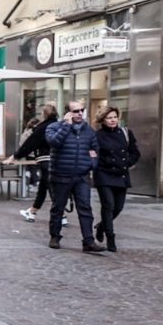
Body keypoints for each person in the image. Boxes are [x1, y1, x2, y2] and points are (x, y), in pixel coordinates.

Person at [46, 100, 106, 253]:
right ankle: (55, 236)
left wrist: (91, 163)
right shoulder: (54, 127)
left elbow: (95, 150)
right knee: (58, 208)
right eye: (76, 111)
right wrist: (66, 126)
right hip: (60, 174)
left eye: (82, 110)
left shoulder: (89, 130)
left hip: (82, 176)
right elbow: (54, 143)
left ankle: (88, 241)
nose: (80, 114)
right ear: (68, 113)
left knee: (85, 208)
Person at [93, 107, 140, 252]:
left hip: (121, 174)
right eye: (109, 118)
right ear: (103, 120)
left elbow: (135, 153)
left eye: (114, 117)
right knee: (108, 205)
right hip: (104, 174)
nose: (113, 120)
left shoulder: (125, 133)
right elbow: (94, 155)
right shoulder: (97, 136)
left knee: (118, 207)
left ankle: (101, 226)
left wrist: (126, 163)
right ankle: (110, 237)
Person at [4, 104, 60, 224]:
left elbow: (30, 143)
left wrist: (15, 156)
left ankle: (61, 216)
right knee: (43, 187)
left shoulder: (43, 127)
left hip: (45, 159)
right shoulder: (60, 125)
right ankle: (32, 211)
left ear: (44, 114)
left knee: (51, 189)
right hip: (58, 160)